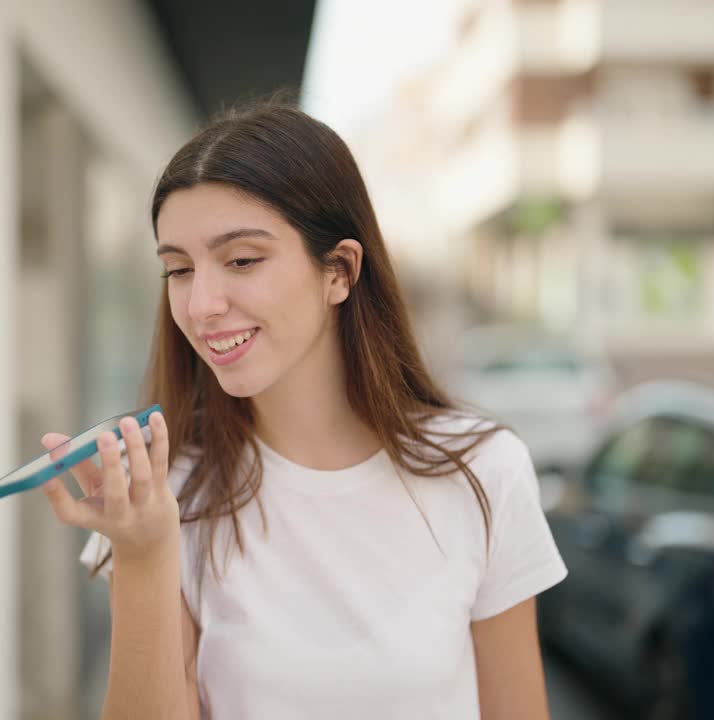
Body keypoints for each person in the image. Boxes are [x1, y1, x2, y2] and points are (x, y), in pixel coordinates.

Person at [36, 98, 567, 720]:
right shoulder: (166, 492)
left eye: (241, 260)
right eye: (178, 269)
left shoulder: (484, 471)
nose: (201, 304)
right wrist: (146, 551)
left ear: (339, 271)